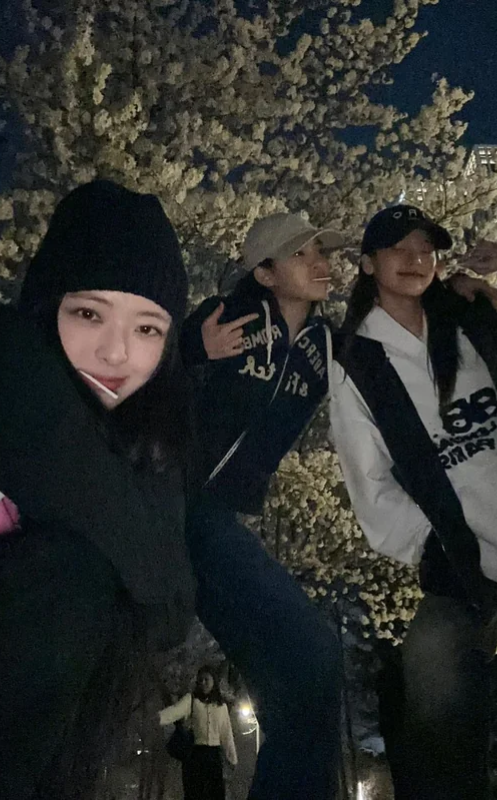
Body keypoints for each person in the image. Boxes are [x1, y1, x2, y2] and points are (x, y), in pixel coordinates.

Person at [329, 204, 497, 799]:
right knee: (433, 675)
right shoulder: (359, 365)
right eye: (398, 248)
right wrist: (434, 545)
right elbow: (372, 485)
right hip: (467, 557)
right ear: (367, 265)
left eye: (426, 247)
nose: (415, 258)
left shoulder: (479, 318)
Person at [0, 179, 197, 800]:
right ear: (49, 303)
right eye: (88, 313)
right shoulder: (5, 357)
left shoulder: (146, 432)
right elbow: (165, 592)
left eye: (149, 329)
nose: (116, 352)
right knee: (71, 572)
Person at [176, 212, 347, 800]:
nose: (322, 263)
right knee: (310, 654)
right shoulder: (230, 317)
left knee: (305, 671)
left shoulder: (326, 348)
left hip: (218, 519)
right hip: (175, 505)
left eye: (324, 251)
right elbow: (139, 369)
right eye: (303, 254)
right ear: (266, 272)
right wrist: (190, 350)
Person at [159, 667, 238, 800]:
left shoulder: (221, 706)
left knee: (216, 793)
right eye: (200, 680)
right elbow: (175, 710)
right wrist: (159, 717)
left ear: (214, 681)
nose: (203, 683)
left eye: (206, 679)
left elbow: (226, 733)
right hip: (196, 755)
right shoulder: (191, 700)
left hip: (213, 756)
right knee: (195, 793)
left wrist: (232, 758)